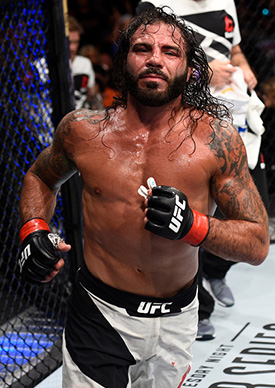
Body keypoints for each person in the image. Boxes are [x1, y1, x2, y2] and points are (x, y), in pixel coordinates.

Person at [18, 8, 269, 388]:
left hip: (177, 318)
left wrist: (193, 226)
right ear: (124, 59)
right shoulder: (83, 131)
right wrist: (34, 229)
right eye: (142, 47)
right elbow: (39, 176)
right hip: (98, 315)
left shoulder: (215, 141)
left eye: (170, 51)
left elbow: (256, 242)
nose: (155, 58)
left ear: (188, 69)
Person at [136, 0, 270, 340]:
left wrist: (244, 67)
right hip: (183, 123)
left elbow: (234, 47)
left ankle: (214, 269)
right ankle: (199, 309)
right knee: (184, 217)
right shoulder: (155, 3)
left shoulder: (225, 0)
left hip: (234, 118)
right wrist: (204, 71)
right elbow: (146, 69)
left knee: (255, 219)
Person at [68, 16, 98, 109]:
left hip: (80, 118)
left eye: (76, 42)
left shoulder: (85, 64)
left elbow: (92, 93)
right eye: (69, 42)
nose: (72, 48)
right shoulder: (43, 66)